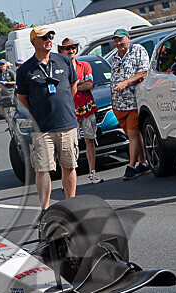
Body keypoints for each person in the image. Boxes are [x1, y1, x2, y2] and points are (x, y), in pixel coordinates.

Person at [15, 25, 80, 210]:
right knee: (43, 169)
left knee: (69, 165)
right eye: (44, 37)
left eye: (50, 36)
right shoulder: (25, 70)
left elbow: (73, 87)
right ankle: (45, 210)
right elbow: (22, 99)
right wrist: (41, 111)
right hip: (42, 128)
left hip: (66, 124)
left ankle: (71, 205)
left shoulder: (63, 61)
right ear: (34, 42)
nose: (48, 40)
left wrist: (62, 106)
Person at [59, 38, 102, 184]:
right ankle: (70, 178)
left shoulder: (85, 65)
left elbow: (89, 85)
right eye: (67, 48)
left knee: (90, 139)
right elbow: (62, 89)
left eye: (73, 47)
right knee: (69, 145)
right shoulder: (60, 69)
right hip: (69, 111)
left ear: (76, 49)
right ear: (62, 51)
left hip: (87, 108)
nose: (71, 50)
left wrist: (73, 84)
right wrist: (79, 82)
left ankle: (92, 173)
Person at [109, 29, 150, 181]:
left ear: (128, 38)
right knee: (133, 136)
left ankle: (131, 166)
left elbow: (144, 72)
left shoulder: (138, 50)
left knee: (133, 135)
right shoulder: (114, 57)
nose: (119, 43)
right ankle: (143, 162)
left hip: (134, 101)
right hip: (119, 105)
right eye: (116, 40)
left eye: (121, 40)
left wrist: (125, 83)